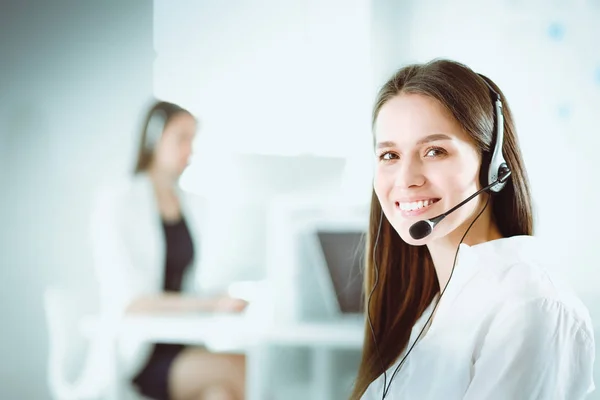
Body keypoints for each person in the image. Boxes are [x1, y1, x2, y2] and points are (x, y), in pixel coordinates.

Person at [351, 59, 595, 399]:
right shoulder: (437, 305)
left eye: (434, 151)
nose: (406, 179)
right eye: (390, 155)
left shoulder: (528, 305)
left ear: (494, 166)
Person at [90, 100, 247, 400]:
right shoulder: (118, 203)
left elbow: (193, 282)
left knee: (221, 395)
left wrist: (221, 297)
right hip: (139, 354)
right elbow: (132, 302)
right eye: (181, 138)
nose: (190, 150)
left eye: (193, 140)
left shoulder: (193, 204)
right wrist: (209, 305)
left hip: (183, 342)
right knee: (241, 369)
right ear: (153, 140)